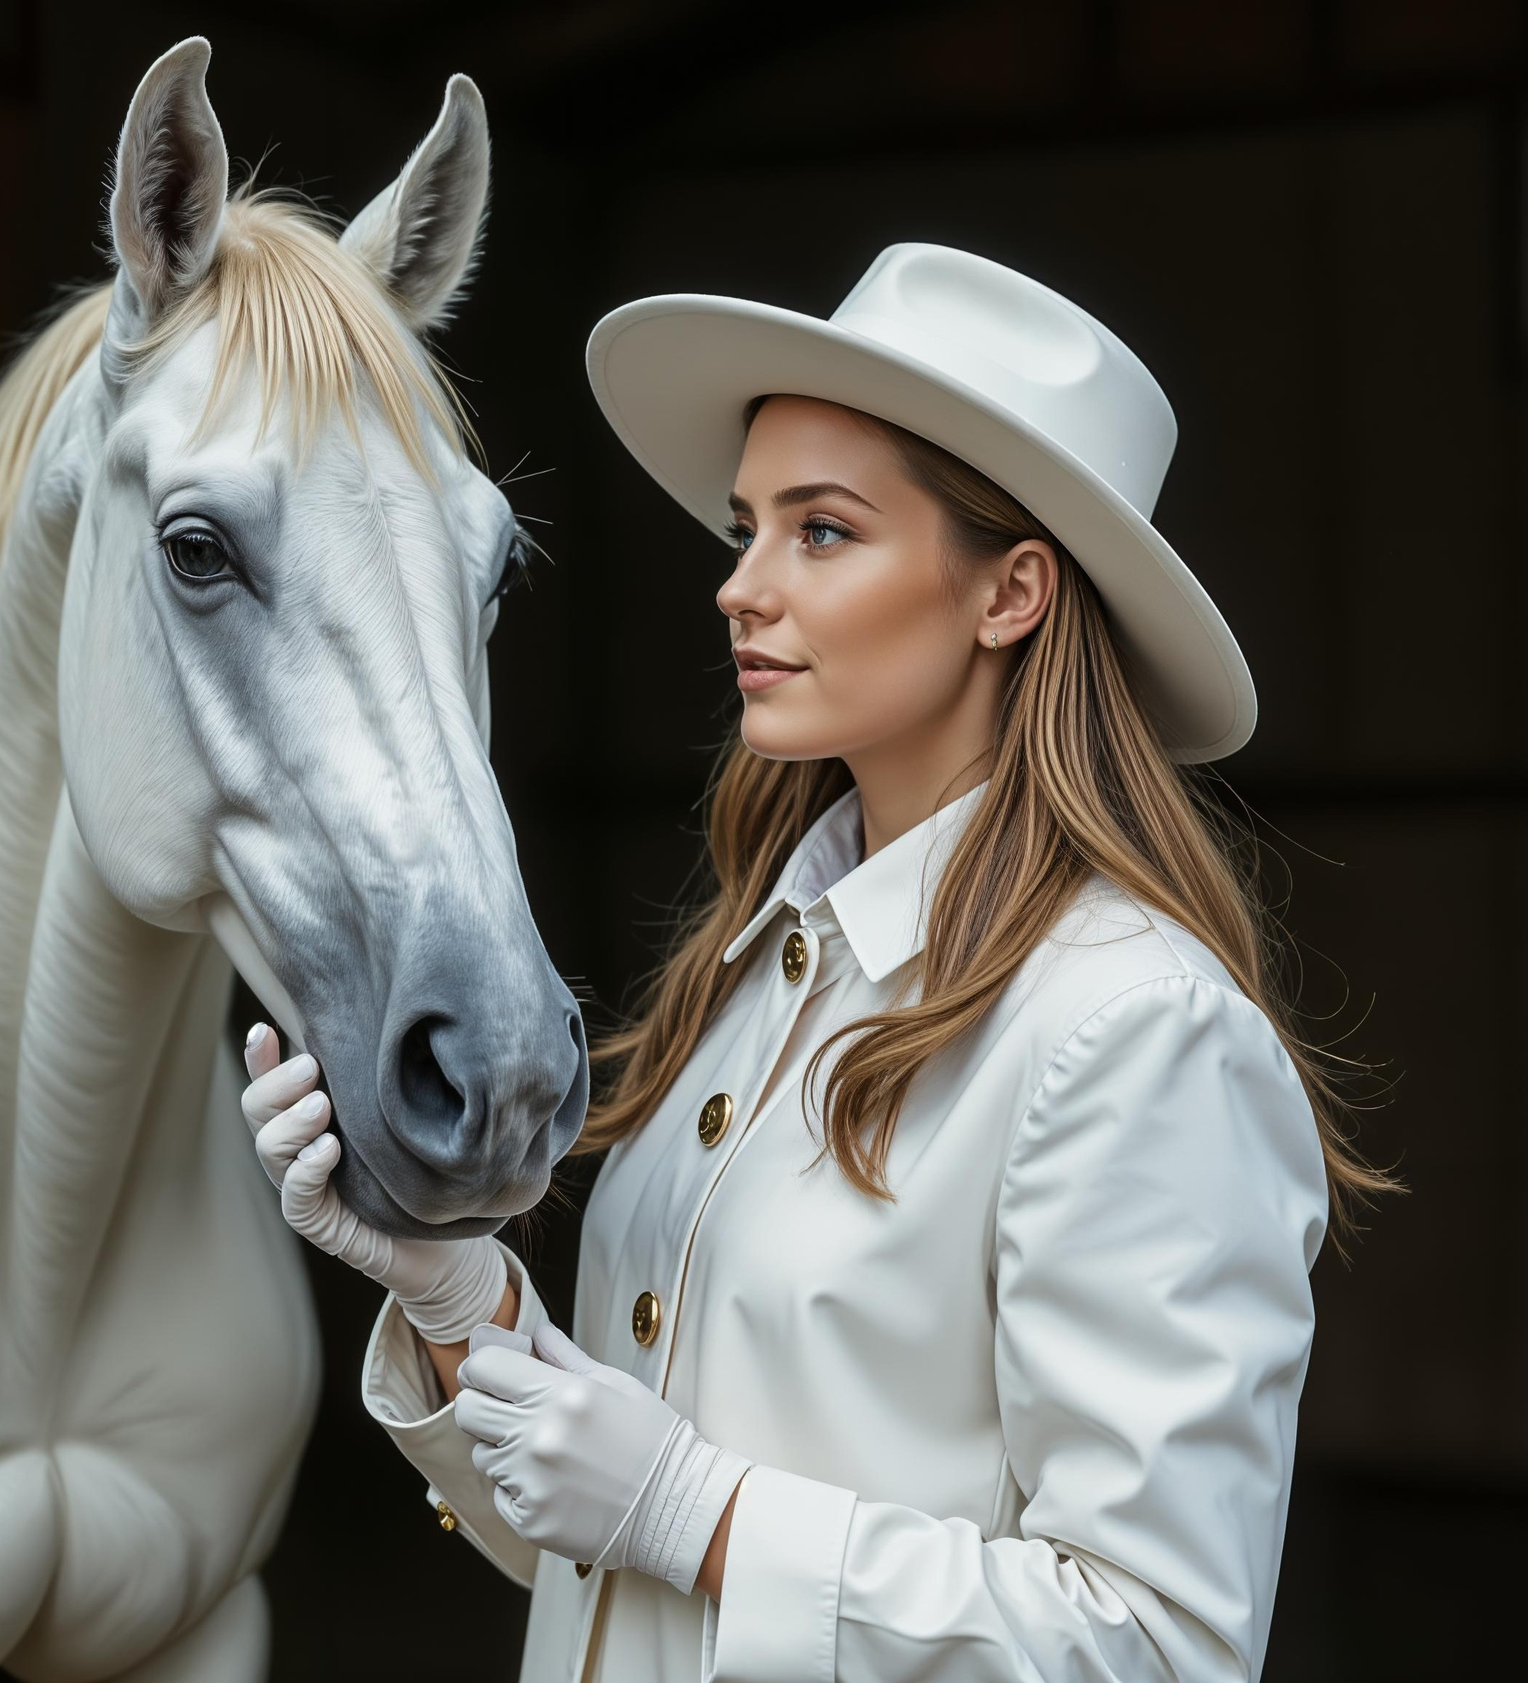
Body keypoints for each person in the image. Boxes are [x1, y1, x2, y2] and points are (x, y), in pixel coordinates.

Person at [240, 242, 1392, 1682]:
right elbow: (599, 1549)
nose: (740, 587)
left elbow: (1155, 1646)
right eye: (745, 528)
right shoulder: (756, 965)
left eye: (822, 532)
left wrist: (703, 1514)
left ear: (1010, 593)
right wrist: (454, 1299)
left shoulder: (1134, 1028)